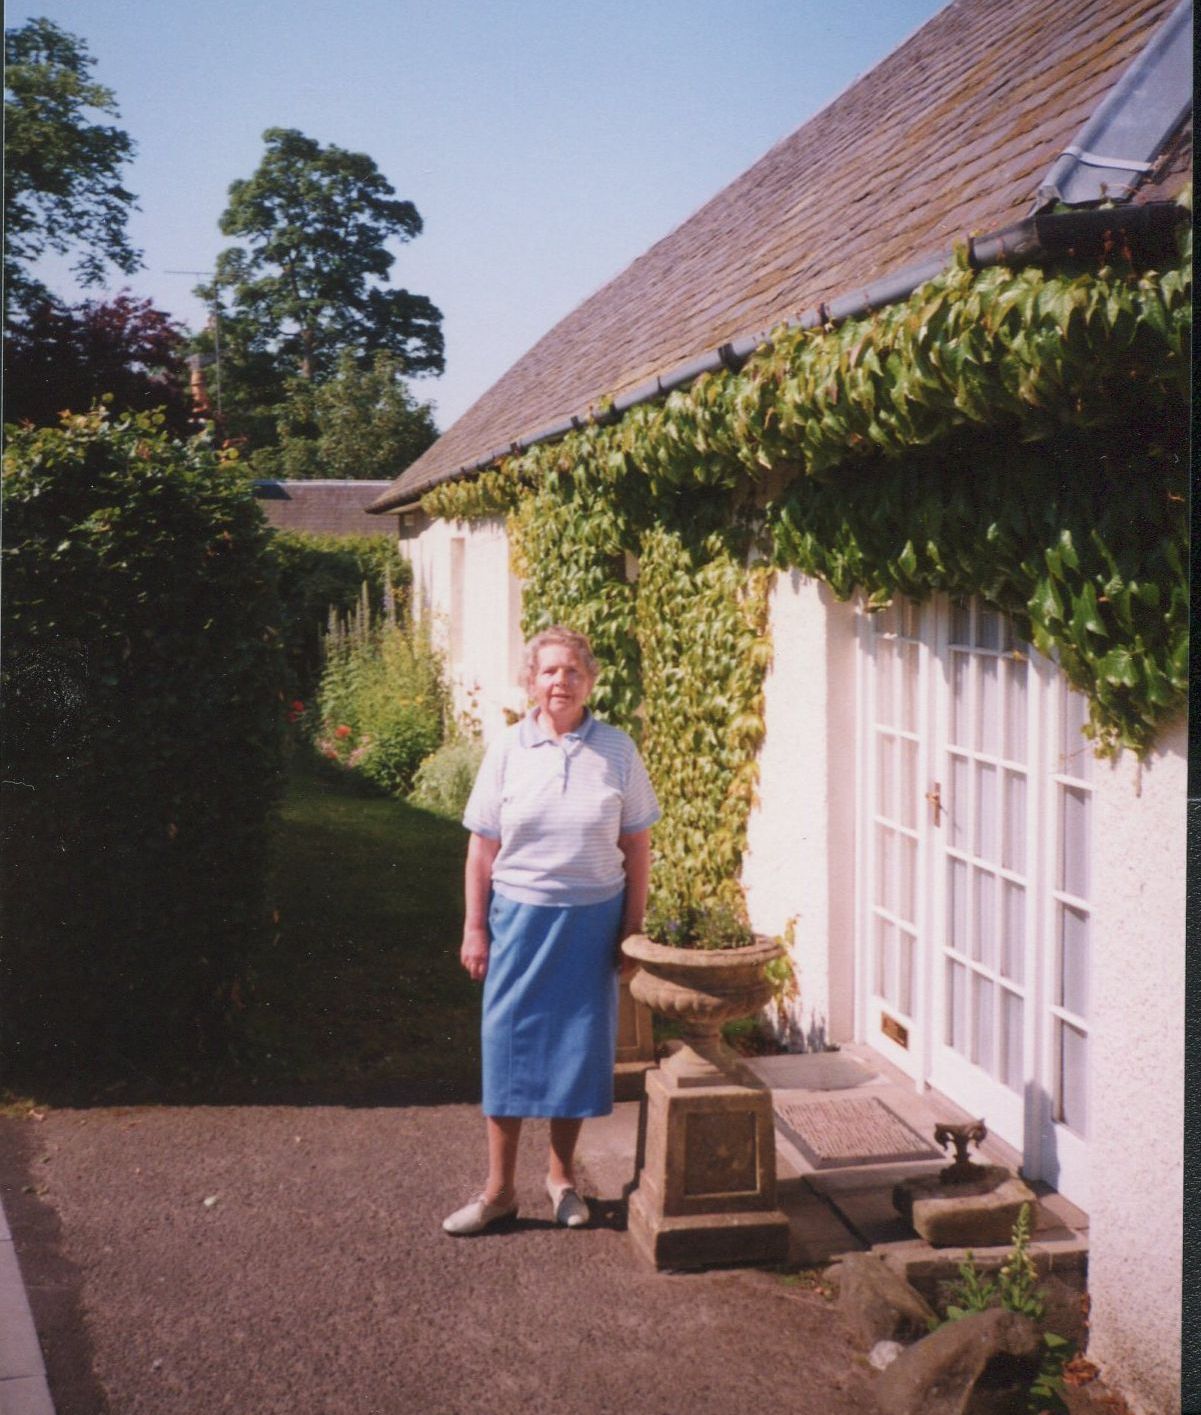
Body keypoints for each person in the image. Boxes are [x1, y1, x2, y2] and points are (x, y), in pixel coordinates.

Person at [443, 626, 659, 1235]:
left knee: (577, 1052)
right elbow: (481, 850)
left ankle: (562, 1181)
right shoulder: (508, 749)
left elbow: (637, 845)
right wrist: (475, 929)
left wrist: (632, 927)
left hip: (593, 923)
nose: (560, 681)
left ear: (590, 681)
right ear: (530, 682)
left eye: (572, 671)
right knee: (507, 1049)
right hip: (518, 921)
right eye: (548, 672)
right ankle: (499, 1192)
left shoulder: (617, 750)